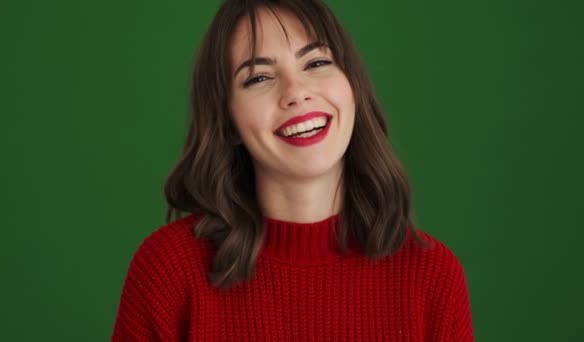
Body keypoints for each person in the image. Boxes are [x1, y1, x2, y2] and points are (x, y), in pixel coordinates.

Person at [112, 0, 474, 340]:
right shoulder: (168, 271)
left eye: (316, 63)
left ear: (353, 88)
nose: (296, 92)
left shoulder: (432, 277)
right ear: (228, 123)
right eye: (259, 78)